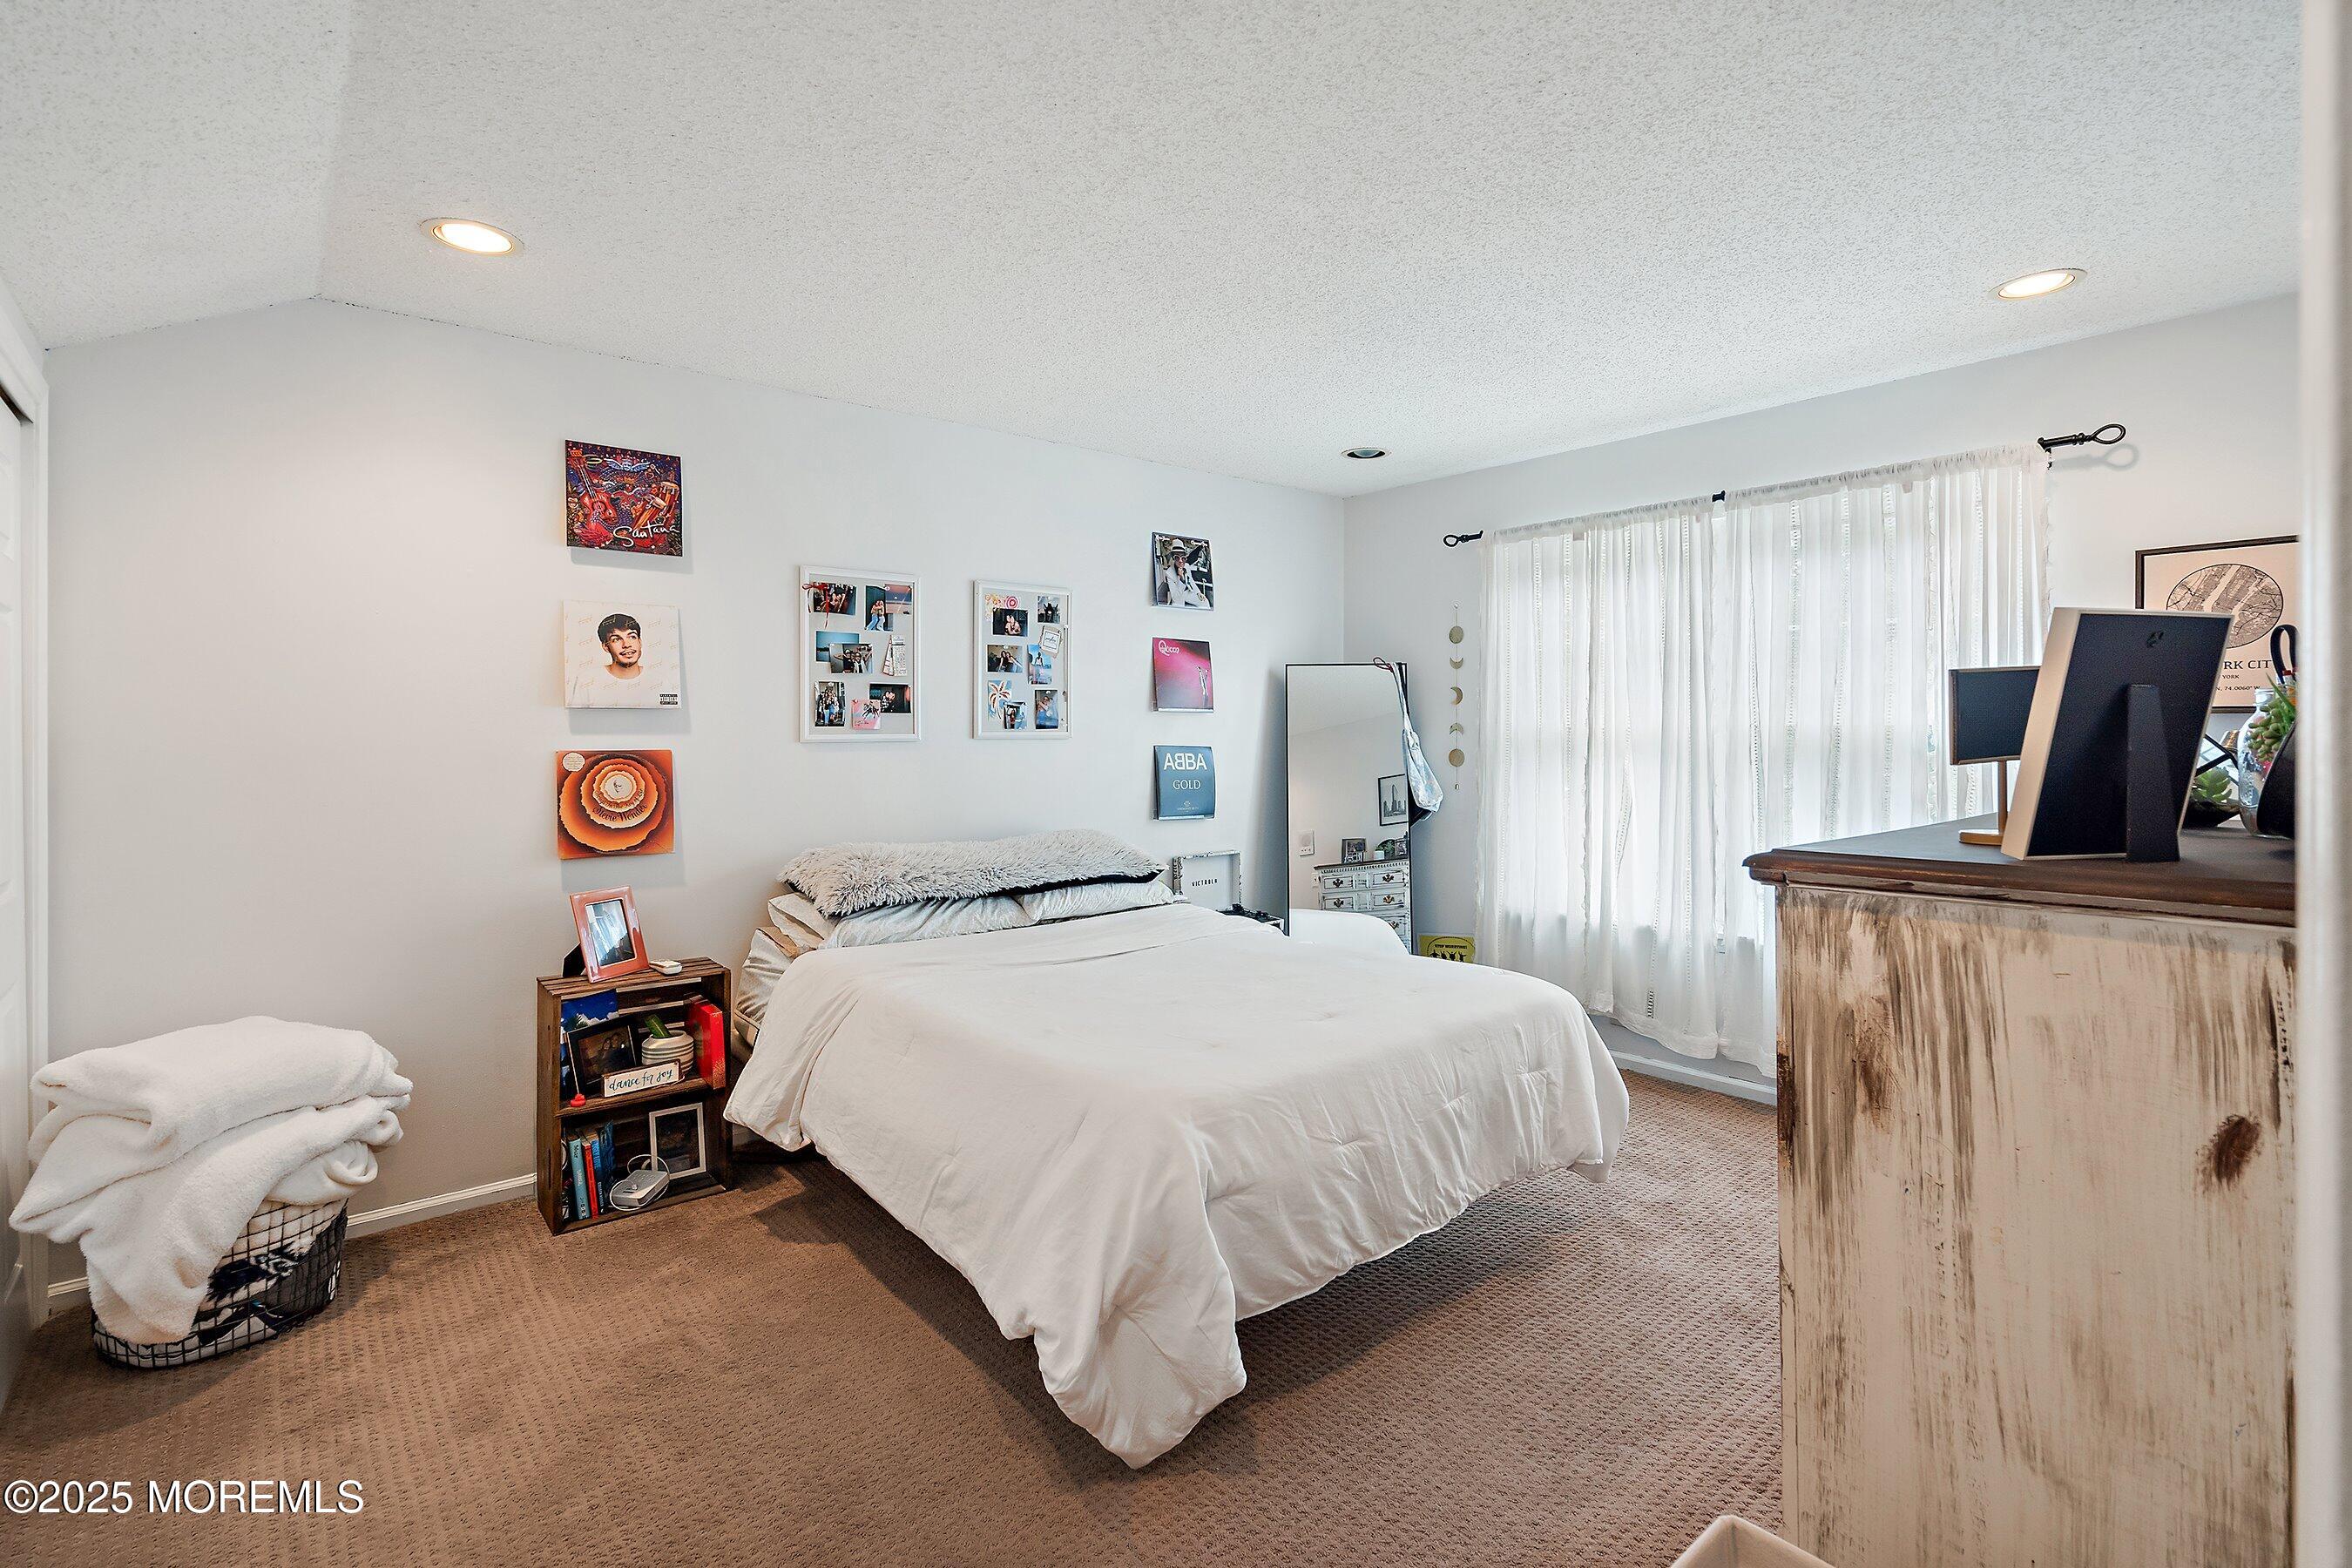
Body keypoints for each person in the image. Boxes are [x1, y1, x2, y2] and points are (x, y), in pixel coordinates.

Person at [566, 612, 661, 706]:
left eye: (632, 637)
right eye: (616, 639)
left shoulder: (659, 682)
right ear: (606, 647)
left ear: (640, 642)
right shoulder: (587, 681)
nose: (627, 645)